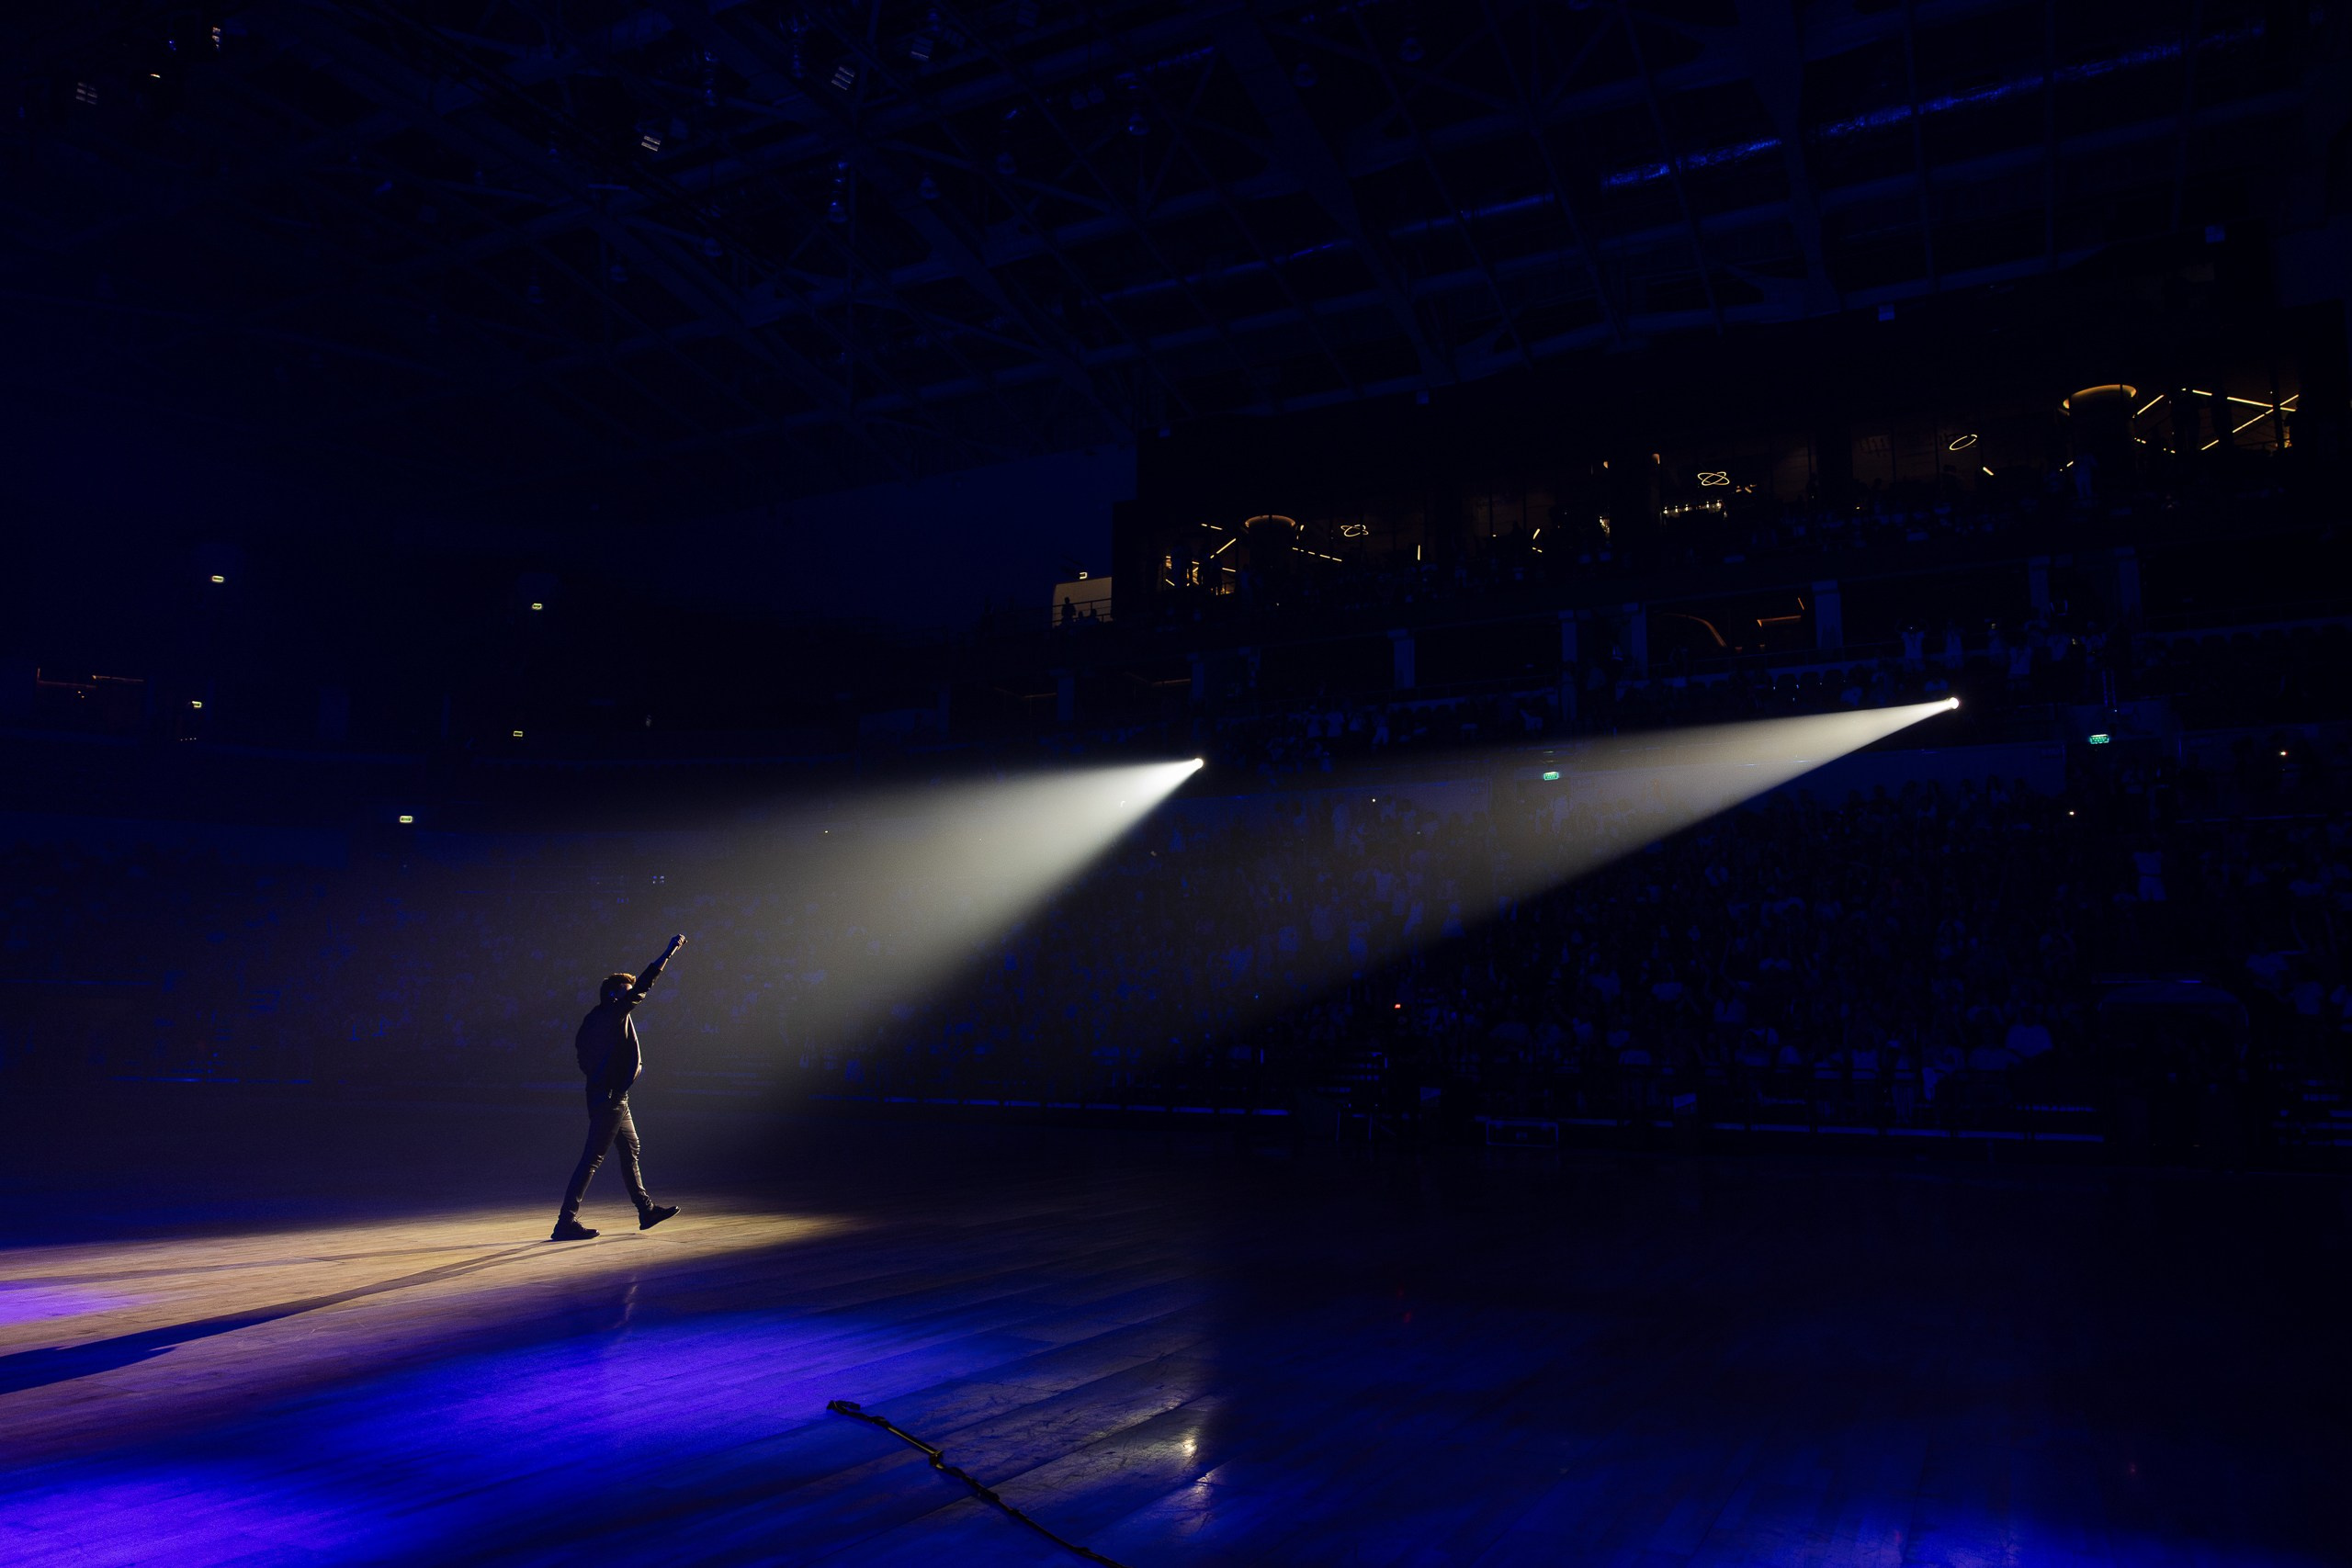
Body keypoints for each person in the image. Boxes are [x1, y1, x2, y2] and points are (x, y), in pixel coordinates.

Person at [550, 935, 687, 1241]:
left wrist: (607, 1077)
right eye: (625, 992)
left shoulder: (595, 1019)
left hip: (612, 1097)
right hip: (610, 1099)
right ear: (613, 995)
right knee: (592, 1158)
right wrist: (669, 951)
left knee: (630, 1150)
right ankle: (565, 1222)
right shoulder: (612, 1013)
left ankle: (646, 1209)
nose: (631, 998)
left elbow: (582, 1054)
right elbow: (644, 986)